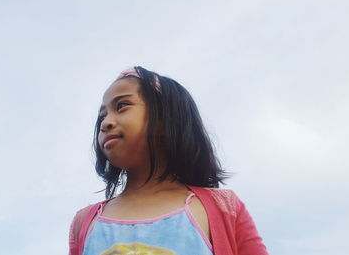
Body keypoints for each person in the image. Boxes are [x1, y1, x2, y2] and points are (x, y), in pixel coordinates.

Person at [69, 67, 268, 255]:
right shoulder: (84, 222)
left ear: (165, 117)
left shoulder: (223, 208)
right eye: (102, 116)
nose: (105, 123)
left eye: (122, 106)